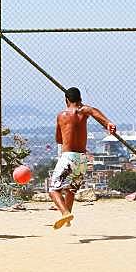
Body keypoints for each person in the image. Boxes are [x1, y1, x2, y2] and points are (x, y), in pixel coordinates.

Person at [49, 87, 116, 229]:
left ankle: (65, 212)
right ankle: (67, 218)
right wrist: (108, 123)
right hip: (82, 158)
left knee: (53, 189)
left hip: (68, 156)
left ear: (66, 100)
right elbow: (94, 111)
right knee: (72, 189)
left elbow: (58, 139)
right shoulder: (84, 111)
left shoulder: (62, 115)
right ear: (80, 99)